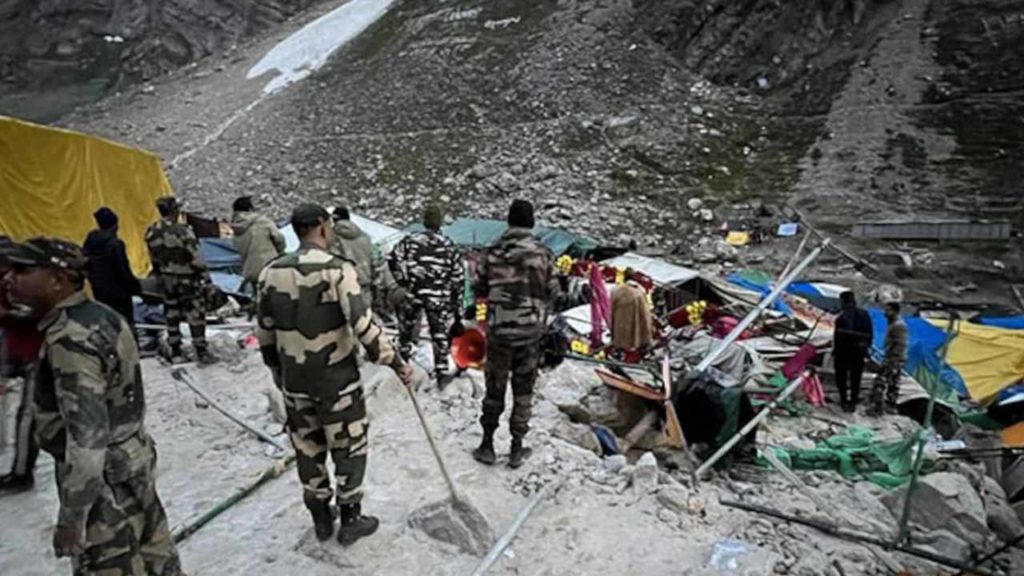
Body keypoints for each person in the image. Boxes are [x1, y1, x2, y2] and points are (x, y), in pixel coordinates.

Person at [4, 237, 183, 575]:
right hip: (133, 458)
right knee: (157, 555)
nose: (9, 279)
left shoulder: (71, 340)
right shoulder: (105, 317)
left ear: (58, 279)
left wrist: (72, 518)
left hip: (103, 485)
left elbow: (87, 440)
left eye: (23, 270)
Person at [256, 204, 413, 544]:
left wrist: (278, 375)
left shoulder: (271, 273)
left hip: (295, 383)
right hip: (337, 383)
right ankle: (351, 518)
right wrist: (396, 362)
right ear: (324, 228)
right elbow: (363, 326)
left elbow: (265, 333)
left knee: (307, 448)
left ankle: (321, 519)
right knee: (349, 445)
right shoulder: (337, 271)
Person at [471, 200, 562, 469]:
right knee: (523, 392)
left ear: (508, 221)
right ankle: (516, 448)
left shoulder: (492, 252)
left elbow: (479, 288)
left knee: (494, 389)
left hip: (499, 333)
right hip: (530, 335)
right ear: (531, 222)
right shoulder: (543, 254)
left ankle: (487, 444)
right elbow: (553, 293)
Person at [388, 204, 464, 385]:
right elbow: (458, 278)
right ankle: (442, 373)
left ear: (424, 222)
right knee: (439, 336)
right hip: (438, 297)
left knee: (405, 332)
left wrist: (403, 281)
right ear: (439, 223)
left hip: (414, 293)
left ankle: (402, 366)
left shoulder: (410, 240)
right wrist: (457, 308)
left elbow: (393, 259)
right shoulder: (449, 245)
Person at [0, 236, 44, 495]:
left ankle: (22, 472)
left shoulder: (29, 282)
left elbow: (43, 312)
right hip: (12, 350)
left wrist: (9, 315)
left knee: (28, 415)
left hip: (37, 353)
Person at [145, 197, 213, 364]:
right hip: (188, 279)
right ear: (174, 210)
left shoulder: (152, 231)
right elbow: (195, 257)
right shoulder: (183, 231)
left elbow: (152, 257)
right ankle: (201, 350)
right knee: (195, 314)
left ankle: (175, 350)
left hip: (166, 279)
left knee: (171, 313)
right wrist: (206, 277)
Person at [83, 207, 142, 328]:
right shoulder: (115, 244)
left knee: (106, 325)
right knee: (124, 326)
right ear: (114, 225)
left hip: (99, 292)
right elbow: (124, 272)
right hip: (119, 295)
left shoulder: (90, 241)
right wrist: (136, 289)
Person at [230, 196, 285, 290]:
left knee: (258, 297)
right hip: (269, 267)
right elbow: (279, 239)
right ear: (250, 208)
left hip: (249, 271)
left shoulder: (236, 227)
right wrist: (280, 252)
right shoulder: (263, 221)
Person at [832, 291, 873, 413]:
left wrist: (835, 351)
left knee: (841, 378)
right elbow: (870, 335)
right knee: (856, 378)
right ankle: (853, 402)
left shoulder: (841, 318)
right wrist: (866, 349)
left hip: (843, 353)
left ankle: (844, 400)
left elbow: (837, 338)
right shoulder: (864, 315)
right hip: (859, 352)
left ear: (843, 301)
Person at [870, 301, 907, 416]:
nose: (885, 313)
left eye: (888, 310)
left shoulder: (898, 326)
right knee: (893, 383)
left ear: (894, 311)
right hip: (895, 359)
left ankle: (878, 408)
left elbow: (900, 344)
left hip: (893, 359)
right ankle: (890, 407)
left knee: (880, 382)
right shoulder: (894, 324)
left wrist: (891, 359)